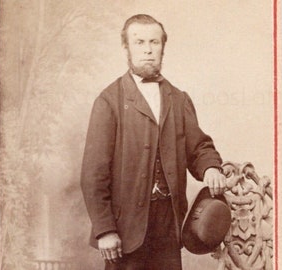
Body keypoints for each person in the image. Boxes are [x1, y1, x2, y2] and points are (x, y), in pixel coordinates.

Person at [80, 14, 226, 270]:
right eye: (139, 42)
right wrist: (105, 230)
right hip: (124, 230)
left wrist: (211, 167)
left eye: (154, 42)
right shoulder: (109, 101)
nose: (148, 49)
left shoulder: (178, 99)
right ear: (126, 48)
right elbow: (94, 174)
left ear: (162, 47)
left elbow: (199, 148)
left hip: (169, 226)